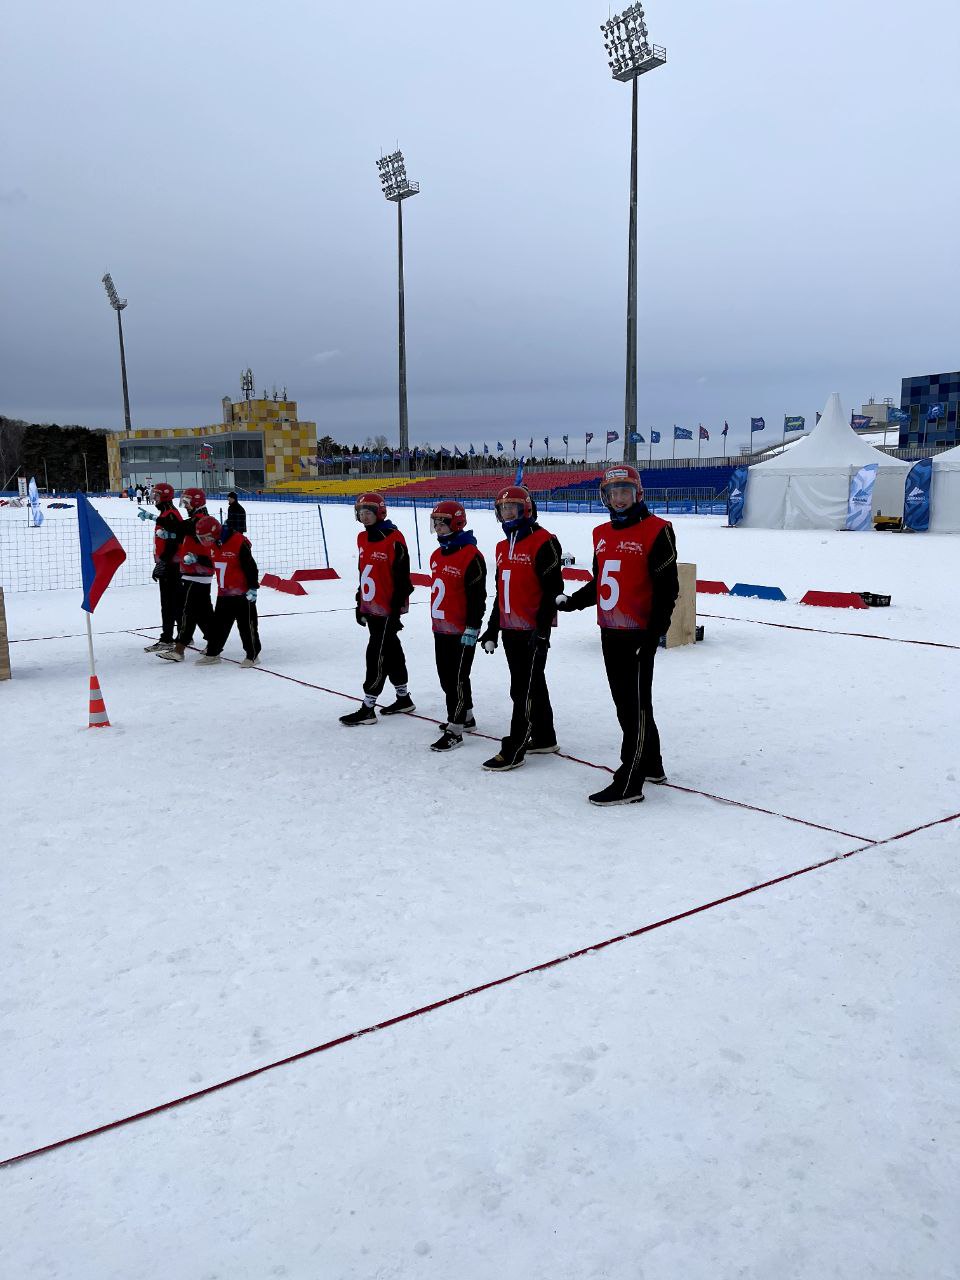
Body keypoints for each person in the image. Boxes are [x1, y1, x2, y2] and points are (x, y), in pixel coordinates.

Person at [556, 464, 678, 806]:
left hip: (638, 633)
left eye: (625, 491)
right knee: (629, 704)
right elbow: (600, 582)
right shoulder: (601, 533)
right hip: (610, 631)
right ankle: (651, 764)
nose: (619, 498)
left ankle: (630, 780)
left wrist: (653, 637)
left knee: (633, 707)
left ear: (638, 493)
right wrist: (573, 601)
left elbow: (667, 590)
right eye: (613, 493)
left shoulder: (658, 530)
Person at [478, 485, 563, 771]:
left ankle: (515, 746)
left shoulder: (544, 541)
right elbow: (501, 592)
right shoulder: (502, 546)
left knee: (523, 689)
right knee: (531, 684)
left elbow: (553, 591)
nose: (507, 513)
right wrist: (493, 628)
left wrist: (542, 631)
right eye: (503, 509)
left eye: (512, 508)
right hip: (510, 629)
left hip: (532, 630)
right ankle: (545, 737)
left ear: (526, 509)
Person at [339, 492, 414, 726]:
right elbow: (364, 573)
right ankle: (403, 698)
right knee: (391, 650)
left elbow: (403, 579)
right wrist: (360, 602)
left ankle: (368, 706)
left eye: (368, 512)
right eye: (361, 512)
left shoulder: (394, 538)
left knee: (376, 653)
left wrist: (395, 610)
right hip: (371, 606)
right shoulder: (362, 538)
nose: (364, 516)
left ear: (380, 512)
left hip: (387, 608)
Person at [427, 500, 486, 752]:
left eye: (443, 522)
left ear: (457, 523)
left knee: (457, 679)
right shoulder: (437, 555)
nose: (439, 527)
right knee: (446, 677)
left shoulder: (472, 556)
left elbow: (478, 597)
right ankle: (467, 716)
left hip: (462, 630)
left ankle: (456, 728)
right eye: (436, 522)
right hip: (441, 627)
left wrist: (473, 627)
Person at [194, 517, 261, 668]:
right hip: (224, 594)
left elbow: (250, 566)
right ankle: (213, 654)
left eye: (206, 537)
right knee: (218, 626)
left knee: (246, 626)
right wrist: (196, 558)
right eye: (201, 538)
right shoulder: (214, 544)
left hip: (243, 593)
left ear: (215, 532)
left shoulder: (238, 542)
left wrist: (253, 588)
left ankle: (252, 655)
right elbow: (213, 561)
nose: (204, 541)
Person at [156, 496, 216, 663]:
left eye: (187, 503)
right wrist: (169, 534)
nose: (185, 507)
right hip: (193, 572)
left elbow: (181, 527)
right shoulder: (196, 520)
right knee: (203, 612)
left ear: (196, 503)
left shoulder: (200, 520)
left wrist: (158, 520)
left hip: (197, 573)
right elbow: (181, 532)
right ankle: (214, 643)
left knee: (189, 612)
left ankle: (179, 649)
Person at [143, 482, 184, 654]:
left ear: (165, 496)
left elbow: (174, 542)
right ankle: (181, 635)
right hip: (169, 563)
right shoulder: (166, 513)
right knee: (173, 602)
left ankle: (169, 638)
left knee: (169, 603)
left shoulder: (171, 514)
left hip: (172, 565)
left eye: (157, 496)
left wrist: (163, 563)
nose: (154, 499)